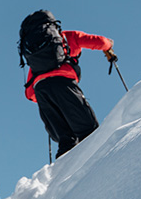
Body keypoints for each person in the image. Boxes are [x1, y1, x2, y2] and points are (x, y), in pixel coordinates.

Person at [19, 10, 116, 157]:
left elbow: (29, 93)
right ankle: (105, 164)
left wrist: (48, 98)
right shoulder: (66, 37)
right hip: (63, 84)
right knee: (88, 131)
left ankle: (62, 176)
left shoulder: (35, 58)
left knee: (66, 141)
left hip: (41, 91)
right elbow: (101, 42)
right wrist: (109, 46)